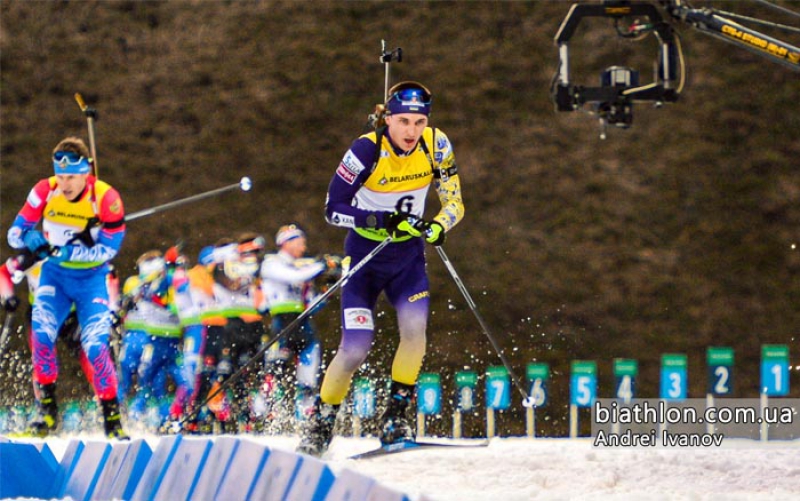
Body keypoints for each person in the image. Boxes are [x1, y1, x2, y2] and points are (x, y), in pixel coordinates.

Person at [297, 81, 464, 456]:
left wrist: (439, 225)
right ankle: (321, 423)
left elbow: (454, 201)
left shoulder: (437, 145)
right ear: (388, 118)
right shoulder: (365, 149)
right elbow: (332, 208)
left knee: (415, 333)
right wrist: (379, 219)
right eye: (403, 121)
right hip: (364, 261)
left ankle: (396, 418)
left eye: (419, 122)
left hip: (407, 261)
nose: (411, 131)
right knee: (355, 348)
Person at [6, 136, 129, 439]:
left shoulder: (106, 199)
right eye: (60, 176)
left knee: (97, 346)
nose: (65, 183)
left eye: (72, 177)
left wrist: (73, 250)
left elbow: (109, 250)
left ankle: (112, 419)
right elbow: (14, 233)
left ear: (86, 171)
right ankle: (47, 411)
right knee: (42, 333)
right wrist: (30, 238)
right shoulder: (44, 191)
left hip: (90, 282)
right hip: (55, 279)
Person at [259, 224, 341, 431]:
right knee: (274, 375)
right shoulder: (271, 263)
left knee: (308, 380)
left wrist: (328, 289)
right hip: (282, 325)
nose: (303, 248)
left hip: (303, 322)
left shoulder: (302, 267)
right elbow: (294, 277)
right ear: (286, 242)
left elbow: (311, 303)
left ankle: (303, 421)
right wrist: (321, 264)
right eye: (300, 243)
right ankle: (262, 419)